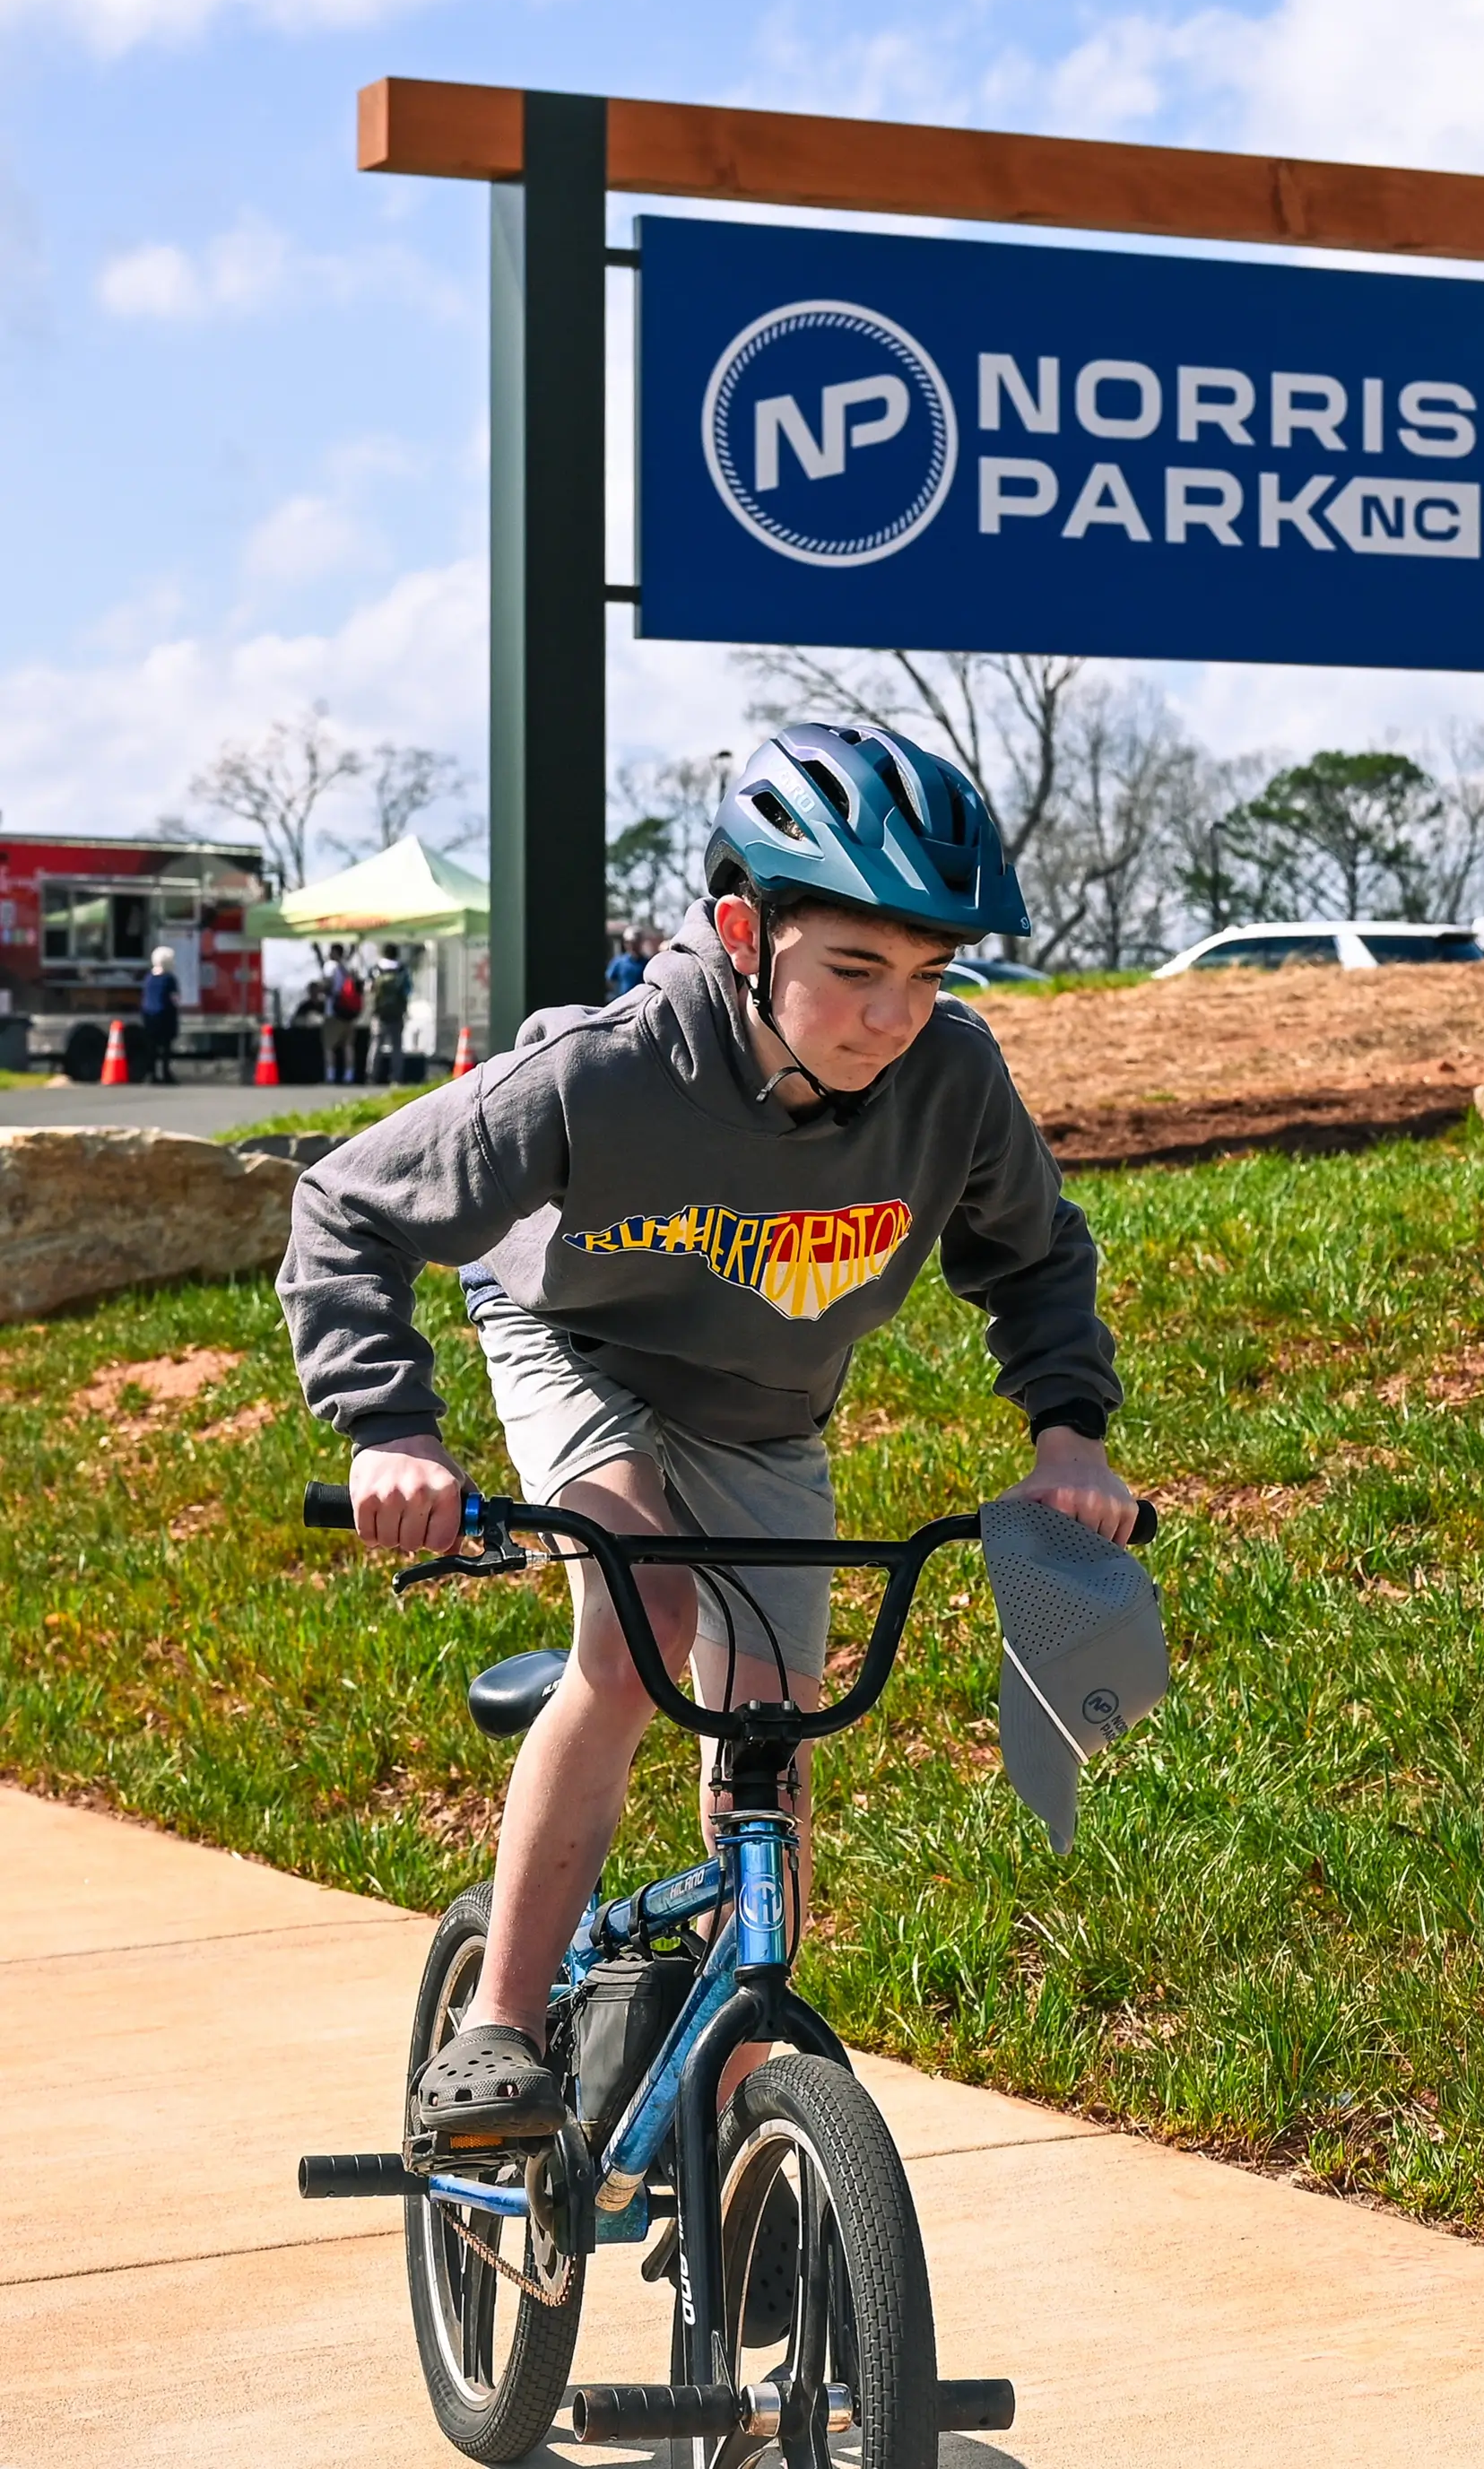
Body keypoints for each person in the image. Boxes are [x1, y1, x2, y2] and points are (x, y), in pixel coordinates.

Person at [278, 722, 1134, 2141]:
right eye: (852, 970)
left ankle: (750, 2125)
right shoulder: (604, 1070)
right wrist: (391, 1429)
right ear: (745, 930)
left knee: (771, 1734)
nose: (891, 1016)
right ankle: (498, 2024)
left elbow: (1035, 1255)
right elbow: (349, 1205)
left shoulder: (953, 1083)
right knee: (646, 1623)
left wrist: (1069, 1433)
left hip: (764, 1413)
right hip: (578, 1348)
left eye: (928, 976)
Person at [320, 943, 363, 1086]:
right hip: (349, 1012)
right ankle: (349, 1075)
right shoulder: (346, 968)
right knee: (348, 1046)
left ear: (334, 952)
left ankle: (330, 1075)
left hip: (333, 1012)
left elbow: (328, 985)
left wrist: (323, 991)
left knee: (329, 1046)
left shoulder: (330, 966)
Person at [369, 944, 412, 1086]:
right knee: (397, 1046)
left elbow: (369, 989)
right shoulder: (402, 969)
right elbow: (408, 989)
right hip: (397, 1013)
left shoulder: (376, 969)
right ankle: (396, 1077)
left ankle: (373, 1076)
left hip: (379, 1013)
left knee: (376, 1044)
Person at [140, 945, 180, 1085]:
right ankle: (165, 1074)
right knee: (165, 1048)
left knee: (152, 1047)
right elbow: (175, 999)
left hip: (148, 1016)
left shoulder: (149, 977)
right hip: (165, 1016)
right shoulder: (169, 979)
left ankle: (151, 1074)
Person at [604, 924, 652, 998]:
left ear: (640, 942)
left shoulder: (648, 964)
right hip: (622, 1002)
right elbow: (609, 980)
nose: (631, 945)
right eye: (628, 942)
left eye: (635, 942)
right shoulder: (619, 962)